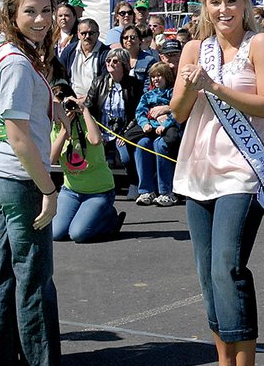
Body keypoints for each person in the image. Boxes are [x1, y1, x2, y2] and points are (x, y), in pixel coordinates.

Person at [171, 0, 264, 366]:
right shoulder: (195, 50)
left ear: (245, 3)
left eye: (231, 1)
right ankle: (223, 365)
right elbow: (180, 113)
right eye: (215, 2)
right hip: (198, 169)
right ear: (205, 6)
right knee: (205, 272)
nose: (223, 10)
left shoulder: (260, 44)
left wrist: (215, 88)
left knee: (228, 268)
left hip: (242, 170)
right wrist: (188, 85)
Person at [0, 0, 77, 366]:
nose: (40, 19)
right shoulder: (18, 61)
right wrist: (49, 191)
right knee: (34, 289)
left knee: (2, 282)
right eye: (30, 12)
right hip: (18, 181)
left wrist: (51, 107)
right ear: (13, 16)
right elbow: (16, 134)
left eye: (46, 11)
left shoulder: (6, 54)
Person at [51, 82, 125, 243]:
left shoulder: (85, 120)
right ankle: (88, 214)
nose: (59, 111)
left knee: (78, 234)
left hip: (98, 191)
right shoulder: (55, 127)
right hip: (71, 190)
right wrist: (65, 130)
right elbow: (51, 158)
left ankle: (109, 217)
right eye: (54, 107)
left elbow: (96, 140)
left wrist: (84, 110)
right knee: (56, 233)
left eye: (61, 105)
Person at [85, 47, 144, 199]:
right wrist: (96, 131)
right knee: (94, 156)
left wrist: (124, 134)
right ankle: (96, 187)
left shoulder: (134, 85)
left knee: (125, 157)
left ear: (124, 64)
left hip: (124, 133)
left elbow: (137, 112)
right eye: (108, 60)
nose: (110, 63)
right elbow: (89, 109)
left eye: (115, 61)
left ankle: (133, 182)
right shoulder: (99, 82)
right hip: (102, 132)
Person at [134, 63, 181, 207]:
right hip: (151, 128)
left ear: (166, 76)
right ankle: (146, 190)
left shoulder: (172, 93)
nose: (155, 79)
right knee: (142, 144)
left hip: (169, 129)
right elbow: (139, 112)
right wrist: (144, 124)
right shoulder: (148, 95)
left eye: (159, 76)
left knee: (159, 145)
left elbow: (178, 112)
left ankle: (166, 191)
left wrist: (164, 125)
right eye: (153, 77)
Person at [59, 17, 109, 99]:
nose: (87, 36)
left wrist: (89, 98)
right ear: (78, 34)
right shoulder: (69, 51)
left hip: (96, 101)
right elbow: (60, 75)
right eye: (83, 33)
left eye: (91, 33)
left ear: (98, 34)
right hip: (72, 99)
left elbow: (105, 82)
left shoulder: (105, 53)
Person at [121, 24, 157, 89]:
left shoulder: (150, 61)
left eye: (133, 37)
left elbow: (149, 86)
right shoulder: (117, 60)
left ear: (140, 40)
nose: (129, 40)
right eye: (125, 38)